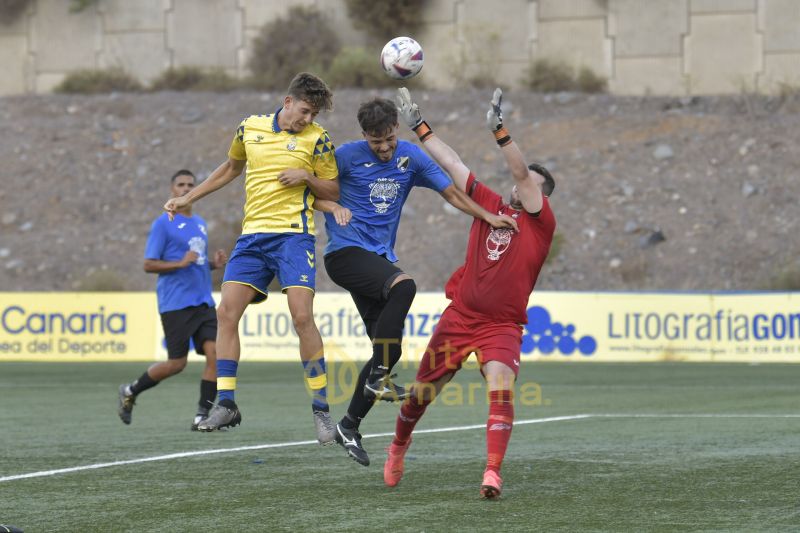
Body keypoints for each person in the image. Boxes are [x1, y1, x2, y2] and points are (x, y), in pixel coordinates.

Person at [322, 97, 519, 466]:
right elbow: (315, 192)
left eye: (389, 140)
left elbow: (451, 192)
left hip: (377, 260)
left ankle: (349, 425)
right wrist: (321, 195)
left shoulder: (409, 158)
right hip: (345, 254)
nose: (384, 148)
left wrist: (489, 217)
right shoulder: (345, 156)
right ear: (364, 135)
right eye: (376, 141)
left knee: (389, 350)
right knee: (405, 286)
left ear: (396, 129)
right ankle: (377, 377)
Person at [383, 87, 556, 499]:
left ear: (542, 196)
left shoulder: (541, 223)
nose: (521, 184)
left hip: (501, 326)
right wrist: (420, 128)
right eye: (523, 180)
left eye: (531, 183)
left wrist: (501, 132)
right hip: (460, 318)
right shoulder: (489, 204)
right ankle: (399, 445)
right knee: (421, 395)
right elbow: (452, 162)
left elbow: (518, 173)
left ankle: (492, 472)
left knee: (501, 386)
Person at [162, 73, 340, 444]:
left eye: (313, 114)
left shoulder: (318, 138)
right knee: (226, 312)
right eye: (305, 111)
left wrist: (306, 175)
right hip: (252, 237)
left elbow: (333, 188)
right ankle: (226, 402)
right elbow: (231, 168)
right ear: (288, 102)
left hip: (294, 237)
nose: (307, 119)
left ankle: (321, 409)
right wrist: (189, 197)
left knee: (302, 317)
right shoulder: (249, 128)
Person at [118, 169, 227, 430]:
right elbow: (148, 264)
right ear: (172, 190)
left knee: (215, 354)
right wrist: (180, 263)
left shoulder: (200, 223)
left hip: (203, 301)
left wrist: (213, 264)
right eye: (181, 185)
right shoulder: (163, 223)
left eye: (190, 185)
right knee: (177, 363)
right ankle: (131, 390)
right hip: (176, 302)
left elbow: (195, 262)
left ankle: (202, 416)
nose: (186, 189)